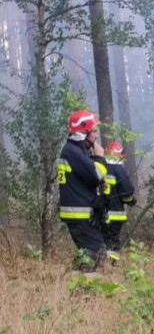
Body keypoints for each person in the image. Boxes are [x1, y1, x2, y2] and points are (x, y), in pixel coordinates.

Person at [57, 110, 108, 270]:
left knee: (89, 254)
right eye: (94, 131)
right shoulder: (73, 152)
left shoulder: (76, 151)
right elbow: (96, 174)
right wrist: (100, 157)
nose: (96, 135)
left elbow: (87, 177)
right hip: (79, 213)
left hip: (82, 213)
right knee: (95, 254)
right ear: (83, 133)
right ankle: (85, 283)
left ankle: (77, 280)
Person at [94, 140, 135, 262]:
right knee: (113, 239)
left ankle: (100, 260)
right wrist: (131, 200)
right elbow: (127, 190)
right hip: (115, 213)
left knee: (102, 237)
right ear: (120, 156)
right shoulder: (118, 169)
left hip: (100, 212)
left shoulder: (101, 168)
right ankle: (112, 263)